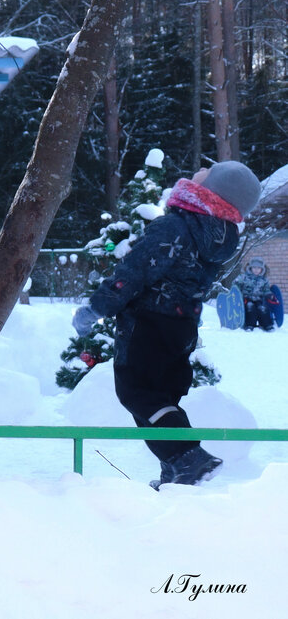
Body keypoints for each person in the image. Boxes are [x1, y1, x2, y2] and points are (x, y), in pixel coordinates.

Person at [72, 160, 262, 489]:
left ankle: (189, 458)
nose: (200, 170)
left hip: (149, 324)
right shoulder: (219, 235)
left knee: (137, 393)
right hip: (182, 328)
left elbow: (135, 269)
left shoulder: (177, 226)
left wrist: (96, 307)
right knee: (160, 401)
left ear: (212, 190)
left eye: (209, 172)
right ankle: (176, 471)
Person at [234, 258, 276, 332]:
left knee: (262, 308)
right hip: (246, 299)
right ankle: (249, 325)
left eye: (258, 268)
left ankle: (267, 325)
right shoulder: (244, 277)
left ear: (262, 269)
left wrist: (269, 295)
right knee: (250, 307)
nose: (256, 270)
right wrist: (237, 292)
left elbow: (266, 290)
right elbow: (236, 284)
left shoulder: (264, 279)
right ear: (250, 268)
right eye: (254, 267)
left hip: (259, 299)